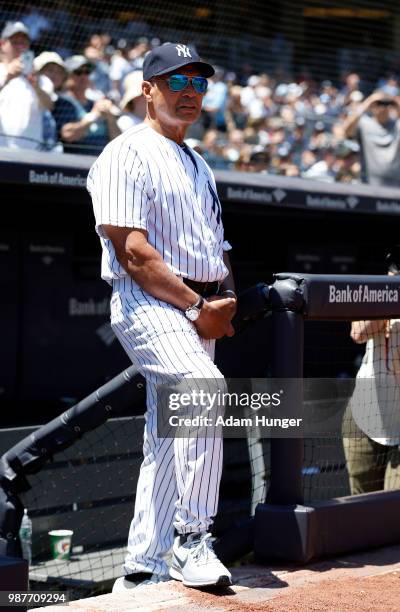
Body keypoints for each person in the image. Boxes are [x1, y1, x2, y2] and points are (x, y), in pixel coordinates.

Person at [87, 42, 237, 590]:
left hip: (198, 306)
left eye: (199, 82)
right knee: (201, 388)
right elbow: (134, 254)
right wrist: (200, 307)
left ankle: (142, 562)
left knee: (169, 434)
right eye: (177, 81)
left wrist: (226, 297)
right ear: (148, 89)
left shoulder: (199, 163)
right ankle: (192, 537)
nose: (190, 91)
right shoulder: (124, 153)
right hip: (150, 301)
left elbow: (219, 247)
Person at [342, 245, 400, 494]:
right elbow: (358, 332)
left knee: (397, 510)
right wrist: (394, 293)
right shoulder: (385, 289)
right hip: (367, 415)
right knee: (361, 510)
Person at [0, 21, 53, 150]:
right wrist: (7, 77)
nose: (20, 47)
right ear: (2, 44)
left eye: (24, 43)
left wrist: (35, 86)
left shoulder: (41, 79)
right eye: (15, 42)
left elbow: (49, 106)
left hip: (31, 152)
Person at [342, 91, 400, 187]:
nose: (383, 107)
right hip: (369, 183)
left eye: (386, 104)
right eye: (379, 103)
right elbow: (346, 130)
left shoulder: (398, 125)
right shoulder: (364, 124)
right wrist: (369, 101)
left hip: (395, 184)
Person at [57, 55, 120, 155]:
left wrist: (109, 117)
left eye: (87, 72)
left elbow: (118, 141)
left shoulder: (94, 103)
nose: (83, 76)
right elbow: (68, 135)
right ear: (67, 76)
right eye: (78, 72)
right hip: (76, 164)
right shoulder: (63, 102)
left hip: (103, 162)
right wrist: (94, 115)